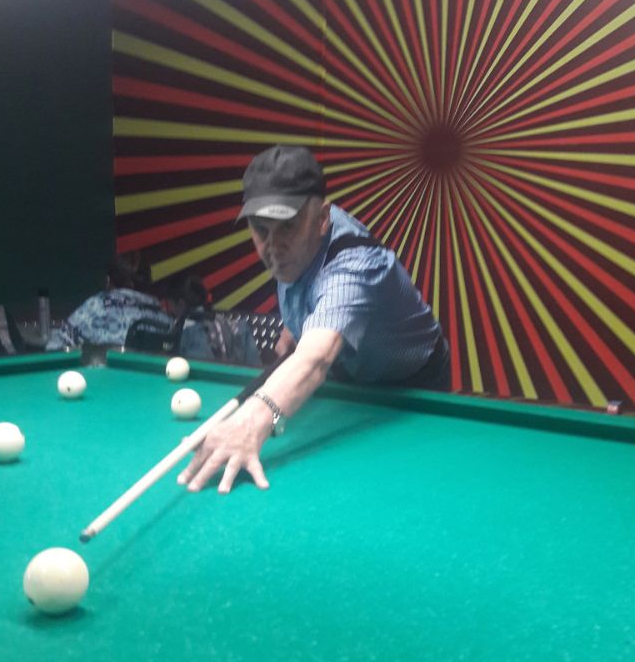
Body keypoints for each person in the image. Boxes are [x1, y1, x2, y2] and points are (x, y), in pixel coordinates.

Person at [178, 145, 450, 495]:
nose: (273, 247)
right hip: (350, 374)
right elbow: (307, 287)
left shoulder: (356, 264)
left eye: (287, 227)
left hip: (414, 382)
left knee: (403, 484)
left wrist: (250, 420)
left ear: (323, 219)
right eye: (261, 229)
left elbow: (316, 359)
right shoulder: (296, 244)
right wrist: (299, 325)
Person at [46, 252, 175, 350]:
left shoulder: (97, 306)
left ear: (108, 280)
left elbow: (57, 345)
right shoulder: (164, 318)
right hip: (148, 376)